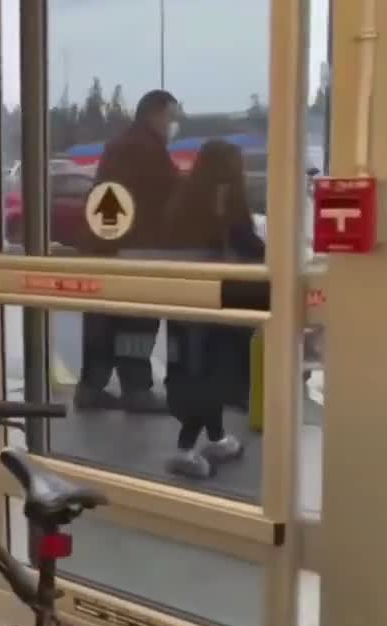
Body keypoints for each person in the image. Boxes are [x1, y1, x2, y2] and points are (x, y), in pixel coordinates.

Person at [76, 90, 182, 414]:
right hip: (138, 247)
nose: (172, 124)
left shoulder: (117, 144)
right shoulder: (148, 149)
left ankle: (91, 387)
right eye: (170, 116)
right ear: (154, 114)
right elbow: (170, 194)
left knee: (103, 322)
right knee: (136, 323)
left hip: (104, 246)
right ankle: (137, 389)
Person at [162, 139, 263, 478]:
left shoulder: (185, 199)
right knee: (211, 379)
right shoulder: (225, 203)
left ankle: (217, 437)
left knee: (201, 376)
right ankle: (184, 449)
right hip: (215, 307)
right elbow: (248, 246)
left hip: (184, 305)